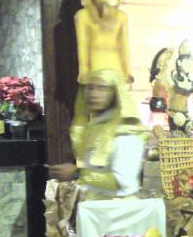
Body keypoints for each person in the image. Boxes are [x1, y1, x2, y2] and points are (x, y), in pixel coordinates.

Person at [48, 69, 148, 200]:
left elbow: (123, 182)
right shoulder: (94, 127)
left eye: (102, 88)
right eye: (90, 87)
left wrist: (77, 174)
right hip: (94, 204)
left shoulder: (126, 130)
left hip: (119, 207)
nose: (93, 94)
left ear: (115, 92)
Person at [74, 0, 132, 84]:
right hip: (96, 63)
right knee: (99, 91)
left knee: (117, 92)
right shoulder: (83, 15)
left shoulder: (121, 16)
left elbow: (124, 45)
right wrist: (83, 70)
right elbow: (82, 45)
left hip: (116, 65)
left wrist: (127, 71)